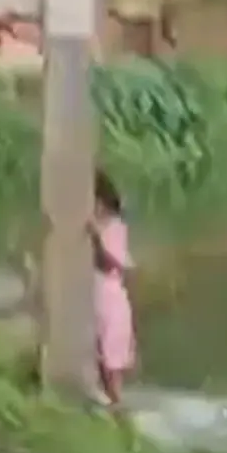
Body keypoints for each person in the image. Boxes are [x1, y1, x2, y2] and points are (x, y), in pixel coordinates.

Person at [91, 171, 135, 408]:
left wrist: (96, 238)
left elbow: (113, 263)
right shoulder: (93, 226)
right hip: (94, 297)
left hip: (109, 299)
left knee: (111, 368)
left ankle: (121, 421)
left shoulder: (114, 227)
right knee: (99, 362)